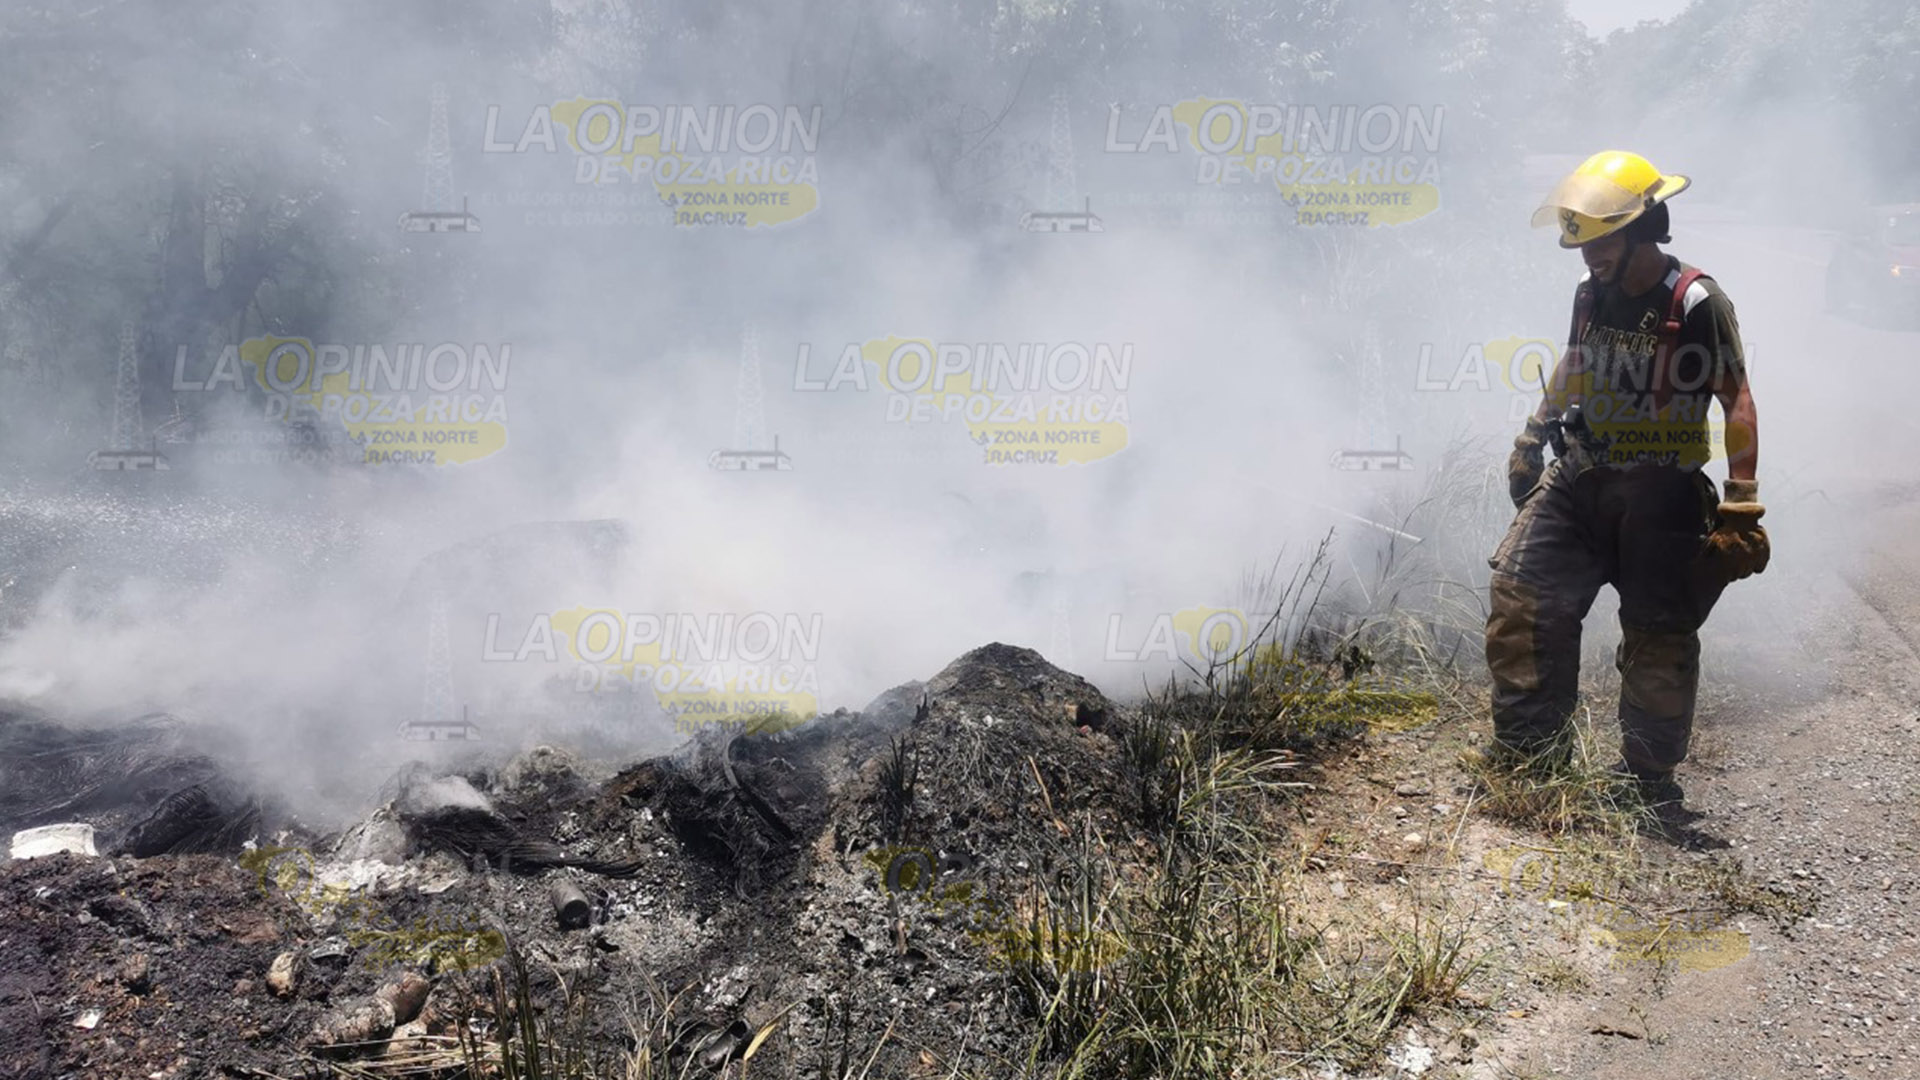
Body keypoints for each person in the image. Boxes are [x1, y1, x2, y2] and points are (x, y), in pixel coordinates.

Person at [1485, 150, 1769, 810]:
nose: (1587, 256)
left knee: (1658, 634)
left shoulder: (1696, 301)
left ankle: (1645, 782)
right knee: (1523, 595)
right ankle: (1533, 756)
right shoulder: (1592, 291)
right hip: (1580, 476)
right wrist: (1534, 434)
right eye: (1581, 243)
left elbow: (1738, 399)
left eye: (1600, 241)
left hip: (1660, 496)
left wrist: (1742, 507)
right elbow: (1575, 362)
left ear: (1644, 227)